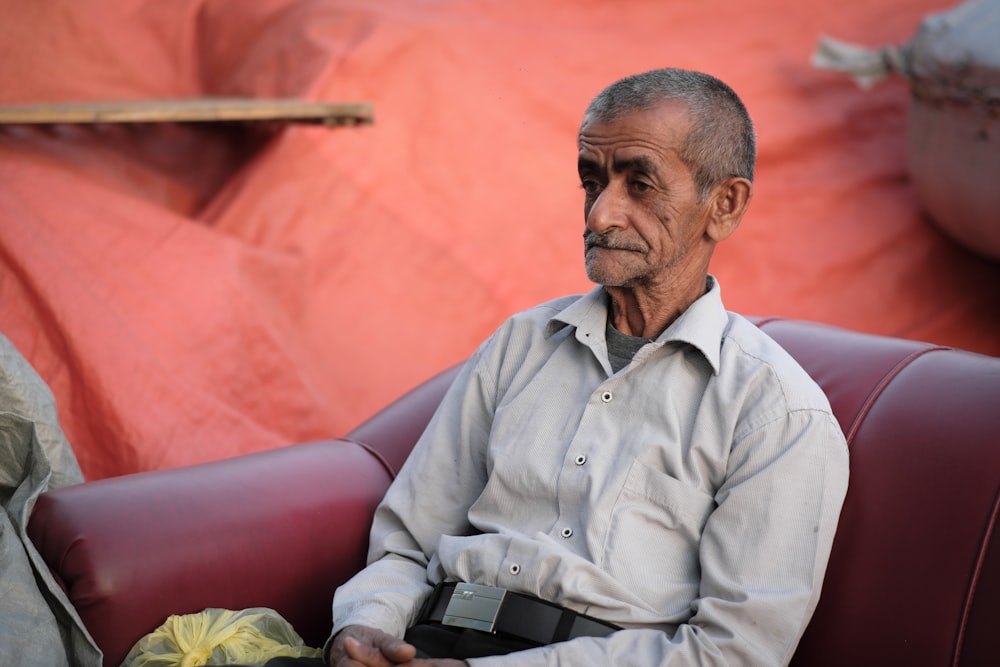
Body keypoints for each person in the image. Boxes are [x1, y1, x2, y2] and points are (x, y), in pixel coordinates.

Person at [325, 67, 850, 666]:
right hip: (428, 641)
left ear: (724, 206)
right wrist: (364, 630)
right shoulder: (521, 343)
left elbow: (734, 655)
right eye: (591, 181)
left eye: (641, 185)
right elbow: (406, 544)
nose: (600, 216)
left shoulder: (775, 412)